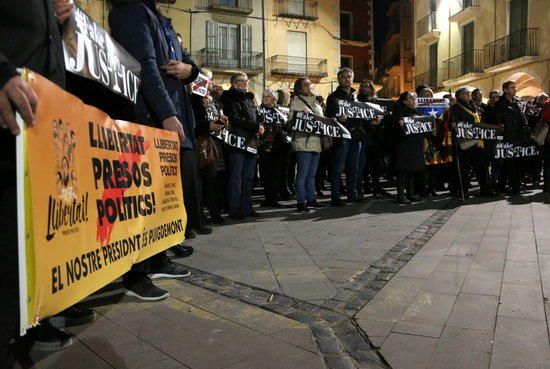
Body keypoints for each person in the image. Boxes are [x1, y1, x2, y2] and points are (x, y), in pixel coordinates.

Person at [109, 0, 193, 301]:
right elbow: (143, 65)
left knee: (159, 199)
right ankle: (135, 273)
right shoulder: (131, 9)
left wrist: (189, 69)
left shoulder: (157, 17)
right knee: (141, 198)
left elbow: (183, 61)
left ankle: (157, 260)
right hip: (146, 116)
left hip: (161, 114)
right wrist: (167, 112)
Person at [221, 72, 263, 220]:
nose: (246, 83)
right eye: (242, 81)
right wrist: (256, 126)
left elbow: (256, 116)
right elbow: (234, 119)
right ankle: (234, 209)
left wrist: (259, 122)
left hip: (251, 142)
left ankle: (247, 208)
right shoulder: (229, 98)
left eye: (246, 80)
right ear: (234, 84)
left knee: (248, 179)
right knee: (236, 178)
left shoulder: (250, 98)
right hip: (237, 143)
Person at [190, 68, 226, 225]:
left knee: (212, 181)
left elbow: (212, 121)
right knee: (200, 183)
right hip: (198, 144)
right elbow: (194, 124)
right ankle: (199, 218)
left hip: (212, 143)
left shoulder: (212, 99)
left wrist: (220, 121)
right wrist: (209, 125)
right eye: (208, 79)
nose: (211, 82)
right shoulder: (193, 99)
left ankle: (214, 213)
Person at [450, 86, 493, 198]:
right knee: (464, 169)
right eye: (466, 93)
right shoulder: (456, 107)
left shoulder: (474, 106)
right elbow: (455, 124)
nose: (469, 95)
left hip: (478, 141)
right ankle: (463, 190)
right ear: (459, 96)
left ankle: (485, 188)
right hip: (466, 141)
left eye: (469, 93)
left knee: (482, 167)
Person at [289, 77, 324, 212]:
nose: (309, 86)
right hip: (303, 141)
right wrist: (302, 116)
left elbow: (321, 120)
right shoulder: (297, 102)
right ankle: (301, 201)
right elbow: (292, 121)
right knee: (302, 173)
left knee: (311, 174)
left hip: (316, 141)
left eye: (310, 84)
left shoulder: (316, 102)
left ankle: (311, 199)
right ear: (299, 87)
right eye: (306, 84)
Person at [325, 68, 358, 206]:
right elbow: (327, 117)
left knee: (353, 167)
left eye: (349, 76)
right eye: (343, 77)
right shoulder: (333, 97)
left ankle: (352, 194)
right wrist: (337, 118)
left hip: (356, 135)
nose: (346, 79)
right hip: (341, 136)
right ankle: (335, 196)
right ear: (339, 79)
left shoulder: (356, 97)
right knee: (338, 168)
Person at [496, 81, 532, 196]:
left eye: (515, 87)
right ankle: (514, 187)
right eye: (512, 88)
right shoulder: (500, 104)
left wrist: (528, 135)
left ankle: (503, 186)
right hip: (507, 138)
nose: (515, 89)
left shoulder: (516, 103)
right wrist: (501, 138)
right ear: (505, 90)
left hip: (519, 138)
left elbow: (523, 120)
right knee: (510, 163)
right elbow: (498, 123)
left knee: (513, 163)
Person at [391, 92, 426, 204]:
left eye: (413, 97)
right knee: (403, 171)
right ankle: (401, 195)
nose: (413, 99)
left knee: (411, 170)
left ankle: (410, 194)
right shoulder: (400, 112)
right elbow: (398, 128)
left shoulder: (415, 111)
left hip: (414, 144)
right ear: (405, 101)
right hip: (404, 145)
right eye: (410, 98)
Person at [258, 89, 288, 208]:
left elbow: (288, 125)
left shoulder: (281, 111)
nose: (265, 98)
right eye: (264, 96)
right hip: (264, 147)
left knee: (276, 175)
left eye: (268, 96)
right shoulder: (258, 111)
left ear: (274, 99)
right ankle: (268, 198)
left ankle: (274, 198)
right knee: (265, 175)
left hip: (279, 147)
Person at [357, 79, 385, 199]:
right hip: (363, 136)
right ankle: (365, 186)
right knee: (364, 165)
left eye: (367, 87)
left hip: (376, 137)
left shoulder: (376, 102)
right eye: (363, 86)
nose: (365, 88)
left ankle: (376, 187)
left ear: (371, 88)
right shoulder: (357, 102)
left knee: (376, 164)